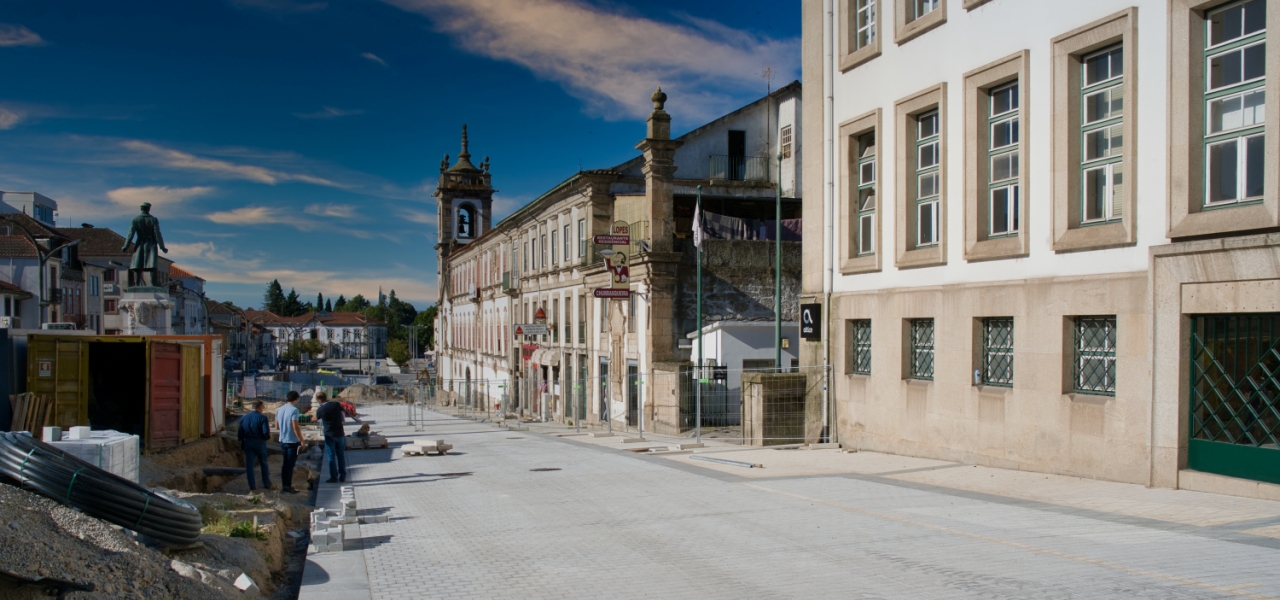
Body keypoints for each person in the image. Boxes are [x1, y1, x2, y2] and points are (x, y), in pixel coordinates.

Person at [237, 400, 272, 493]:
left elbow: (240, 434)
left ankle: (252, 486)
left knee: (249, 465)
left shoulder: (244, 418)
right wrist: (265, 438)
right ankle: (266, 483)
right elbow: (266, 433)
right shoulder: (262, 418)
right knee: (263, 463)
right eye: (263, 407)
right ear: (260, 407)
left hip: (248, 443)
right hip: (259, 443)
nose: (263, 408)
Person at [276, 391, 307, 494]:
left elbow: (276, 426)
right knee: (290, 465)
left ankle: (285, 485)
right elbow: (295, 426)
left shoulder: (279, 409)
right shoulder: (294, 410)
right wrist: (302, 440)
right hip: (292, 441)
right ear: (296, 399)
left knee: (285, 464)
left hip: (282, 439)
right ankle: (287, 486)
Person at [314, 392, 348, 483]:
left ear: (319, 400)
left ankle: (334, 476)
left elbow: (315, 418)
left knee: (331, 456)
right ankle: (343, 475)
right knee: (341, 455)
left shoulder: (321, 409)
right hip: (340, 433)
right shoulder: (336, 404)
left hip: (329, 435)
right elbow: (343, 416)